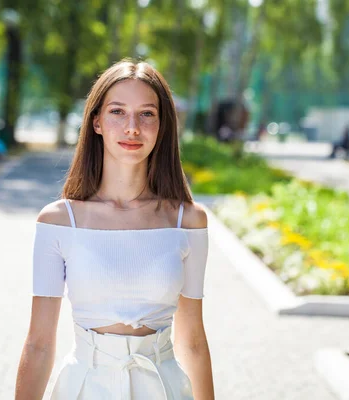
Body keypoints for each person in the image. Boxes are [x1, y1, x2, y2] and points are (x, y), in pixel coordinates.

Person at [15, 60, 214, 399]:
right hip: (84, 388)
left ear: (163, 125)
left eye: (147, 114)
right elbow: (39, 344)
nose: (132, 127)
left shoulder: (187, 221)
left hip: (164, 388)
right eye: (118, 112)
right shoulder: (59, 221)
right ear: (97, 122)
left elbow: (192, 340)